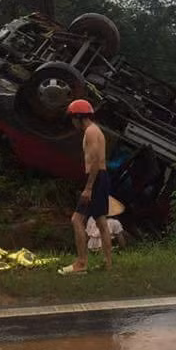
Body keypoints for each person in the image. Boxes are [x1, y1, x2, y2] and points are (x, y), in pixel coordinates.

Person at [59, 99, 112, 275]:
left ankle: (81, 263)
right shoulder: (96, 130)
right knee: (101, 221)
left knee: (76, 220)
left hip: (95, 178)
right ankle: (107, 263)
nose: (72, 122)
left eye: (72, 118)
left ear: (79, 117)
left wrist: (88, 187)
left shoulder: (90, 132)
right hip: (101, 177)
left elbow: (95, 160)